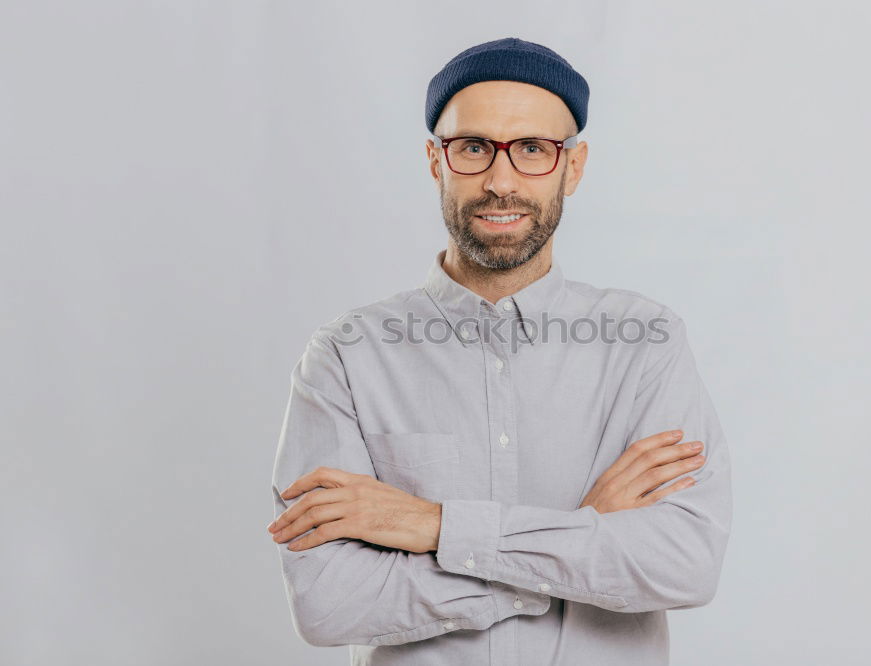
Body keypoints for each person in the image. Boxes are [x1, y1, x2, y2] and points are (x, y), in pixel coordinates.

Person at [267, 36, 732, 666]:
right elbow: (329, 605)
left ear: (574, 165)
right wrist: (578, 533)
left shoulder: (645, 343)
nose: (501, 180)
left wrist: (433, 526)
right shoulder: (348, 357)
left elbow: (684, 566)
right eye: (474, 148)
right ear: (437, 161)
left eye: (534, 149)